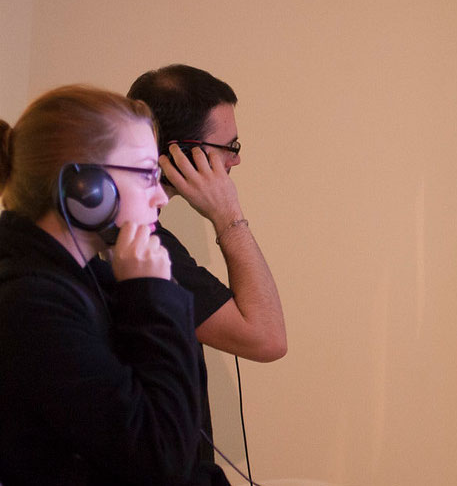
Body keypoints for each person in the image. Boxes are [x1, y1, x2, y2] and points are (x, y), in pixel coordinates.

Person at [0, 85, 229, 484]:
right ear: (85, 188)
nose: (160, 195)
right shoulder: (32, 304)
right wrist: (152, 297)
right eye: (146, 174)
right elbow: (161, 460)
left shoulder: (88, 276)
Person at [127, 65, 287, 462]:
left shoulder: (127, 231)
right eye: (229, 147)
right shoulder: (141, 246)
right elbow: (267, 338)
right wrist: (229, 217)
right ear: (179, 152)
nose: (236, 162)